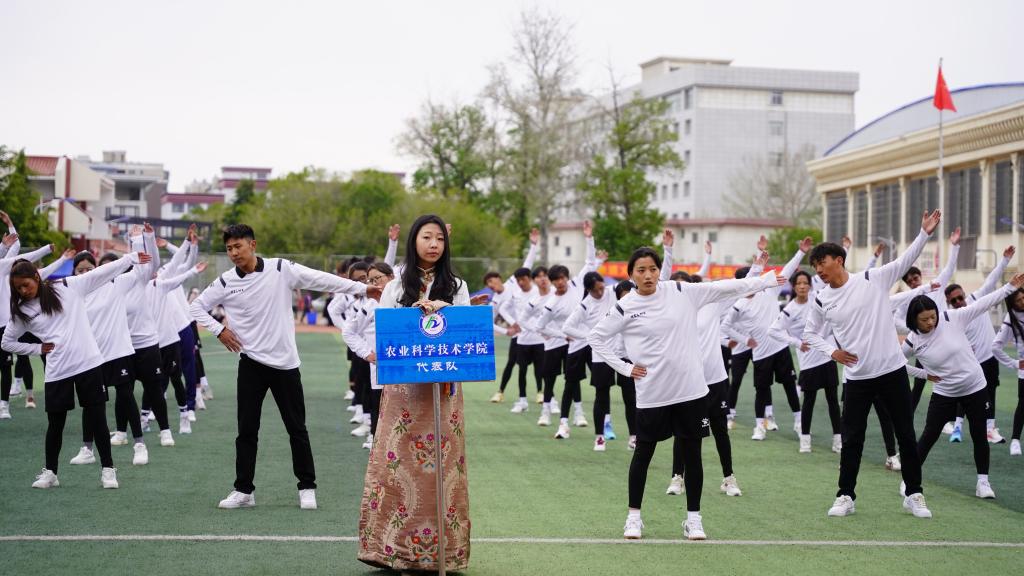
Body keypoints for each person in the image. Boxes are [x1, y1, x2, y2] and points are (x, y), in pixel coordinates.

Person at [588, 246, 784, 541]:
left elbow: (723, 288)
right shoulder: (625, 306)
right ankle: (634, 518)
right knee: (643, 454)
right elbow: (596, 338)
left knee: (693, 455)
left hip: (691, 392)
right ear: (631, 275)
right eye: (641, 270)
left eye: (653, 269)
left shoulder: (681, 291)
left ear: (659, 271)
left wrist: (764, 280)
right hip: (653, 394)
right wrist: (625, 368)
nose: (648, 275)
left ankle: (694, 519)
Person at [190, 224, 374, 510]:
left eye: (238, 246)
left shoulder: (280, 269)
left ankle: (307, 487)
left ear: (253, 244)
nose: (234, 253)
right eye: (229, 248)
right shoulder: (225, 281)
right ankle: (244, 490)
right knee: (246, 430)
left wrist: (362, 288)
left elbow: (320, 279)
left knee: (297, 428)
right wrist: (219, 330)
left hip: (286, 365)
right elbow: (196, 307)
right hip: (250, 364)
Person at [805, 209, 941, 519]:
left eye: (822, 262)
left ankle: (914, 494)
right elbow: (809, 334)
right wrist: (832, 352)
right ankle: (845, 495)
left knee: (906, 435)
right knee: (852, 439)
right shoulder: (822, 299)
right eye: (815, 266)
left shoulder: (872, 279)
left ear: (839, 260)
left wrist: (924, 234)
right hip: (856, 378)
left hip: (892, 372)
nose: (819, 270)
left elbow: (904, 261)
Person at [358, 214, 473, 571]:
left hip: (443, 391)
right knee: (399, 465)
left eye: (439, 238)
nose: (434, 244)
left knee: (442, 468)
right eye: (427, 237)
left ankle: (443, 553)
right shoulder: (395, 286)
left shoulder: (457, 285)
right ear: (414, 241)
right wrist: (413, 316)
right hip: (404, 392)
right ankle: (392, 549)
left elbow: (468, 330)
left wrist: (446, 310)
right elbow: (383, 331)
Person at [3, 250, 151, 489]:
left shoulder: (67, 286)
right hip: (57, 371)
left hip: (88, 364)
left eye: (25, 285)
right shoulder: (22, 311)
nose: (23, 291)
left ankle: (108, 471)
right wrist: (38, 349)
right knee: (55, 425)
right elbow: (7, 342)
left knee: (98, 420)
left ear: (37, 278)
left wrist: (129, 259)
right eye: (17, 288)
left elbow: (101, 273)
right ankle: (51, 473)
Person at [902, 274, 1024, 500]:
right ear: (914, 321)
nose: (931, 322)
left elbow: (983, 303)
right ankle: (910, 480)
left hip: (975, 387)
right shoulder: (913, 340)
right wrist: (925, 374)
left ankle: (983, 483)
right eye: (924, 320)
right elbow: (896, 363)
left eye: (933, 316)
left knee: (979, 435)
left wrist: (1009, 288)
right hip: (944, 392)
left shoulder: (951, 318)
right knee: (929, 435)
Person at [725, 237, 812, 440]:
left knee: (790, 386)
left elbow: (787, 272)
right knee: (761, 390)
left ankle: (799, 422)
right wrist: (745, 340)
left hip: (780, 348)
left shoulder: (770, 291)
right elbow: (725, 327)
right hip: (761, 353)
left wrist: (801, 252)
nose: (753, 282)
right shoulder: (739, 304)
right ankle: (759, 427)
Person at [942, 245, 1015, 444]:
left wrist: (1005, 260)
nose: (959, 302)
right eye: (954, 300)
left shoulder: (976, 299)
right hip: (970, 362)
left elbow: (991, 281)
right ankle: (957, 428)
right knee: (965, 394)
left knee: (991, 393)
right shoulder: (953, 317)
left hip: (990, 358)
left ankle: (990, 430)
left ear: (964, 294)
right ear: (949, 303)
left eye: (960, 297)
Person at [771, 269, 842, 454]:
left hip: (827, 356)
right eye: (799, 283)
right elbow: (773, 331)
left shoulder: (818, 298)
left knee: (833, 401)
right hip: (809, 363)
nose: (802, 286)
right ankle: (805, 441)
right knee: (809, 402)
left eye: (805, 283)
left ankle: (838, 441)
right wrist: (797, 342)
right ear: (793, 287)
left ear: (810, 285)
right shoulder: (789, 310)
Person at [338, 262, 396, 450]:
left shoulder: (405, 300)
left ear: (391, 277)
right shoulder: (369, 306)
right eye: (370, 280)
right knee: (378, 403)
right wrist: (367, 353)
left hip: (404, 368)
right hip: (379, 369)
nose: (374, 283)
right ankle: (375, 439)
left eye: (377, 278)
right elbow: (348, 332)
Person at [485, 228, 539, 403]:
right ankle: (500, 392)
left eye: (491, 281)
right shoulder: (495, 301)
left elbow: (527, 265)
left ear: (498, 278)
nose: (490, 285)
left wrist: (533, 245)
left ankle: (541, 393)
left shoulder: (513, 282)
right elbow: (488, 321)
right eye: (487, 284)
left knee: (539, 363)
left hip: (534, 330)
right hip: (518, 334)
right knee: (512, 363)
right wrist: (507, 330)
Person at [992, 286, 1024, 456]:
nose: (1022, 302)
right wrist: (1014, 363)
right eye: (1018, 301)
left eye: (1023, 298)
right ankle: (1015, 441)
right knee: (1023, 405)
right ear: (1012, 303)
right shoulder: (1010, 320)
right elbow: (995, 347)